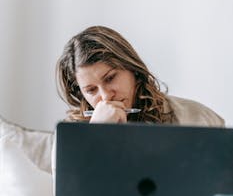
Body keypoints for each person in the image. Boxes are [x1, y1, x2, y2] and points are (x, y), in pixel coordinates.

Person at [56, 25, 224, 127]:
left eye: (110, 78)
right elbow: (72, 185)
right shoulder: (69, 138)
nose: (106, 96)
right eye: (92, 90)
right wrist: (96, 134)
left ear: (133, 69)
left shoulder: (198, 118)